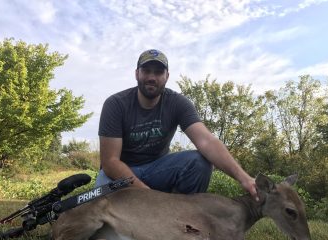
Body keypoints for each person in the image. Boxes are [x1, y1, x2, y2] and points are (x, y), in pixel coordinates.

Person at [95, 49, 258, 199]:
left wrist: (244, 178)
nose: (152, 77)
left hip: (157, 170)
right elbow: (110, 162)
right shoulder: (115, 104)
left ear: (167, 76)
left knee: (199, 162)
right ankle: (156, 207)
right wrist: (148, 195)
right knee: (101, 206)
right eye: (146, 71)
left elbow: (206, 141)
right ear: (137, 74)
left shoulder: (178, 103)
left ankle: (181, 218)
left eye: (158, 72)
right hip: (119, 173)